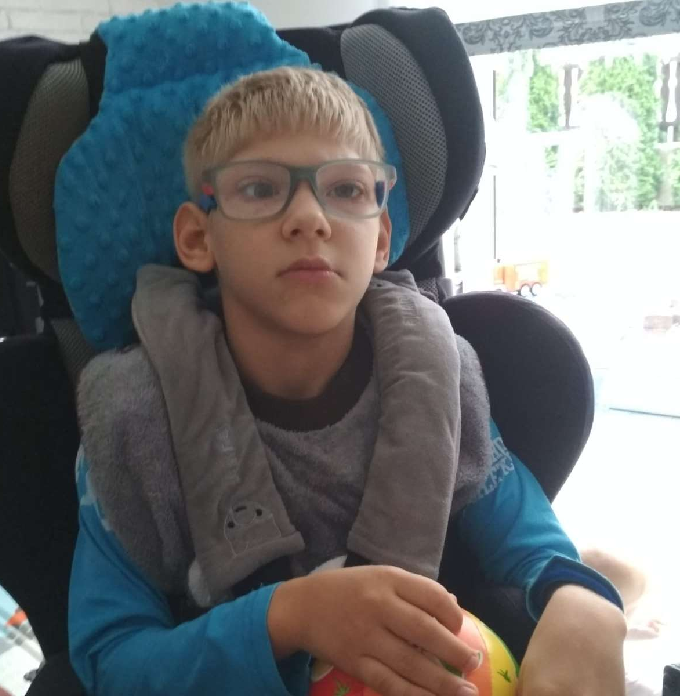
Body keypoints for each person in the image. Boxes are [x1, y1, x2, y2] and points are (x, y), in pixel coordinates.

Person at [69, 67, 626, 696]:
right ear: (199, 238)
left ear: (381, 239)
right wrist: (289, 617)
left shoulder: (435, 376)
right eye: (259, 188)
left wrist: (585, 601)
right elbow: (108, 659)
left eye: (346, 189)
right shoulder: (137, 422)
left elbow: (531, 544)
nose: (310, 218)